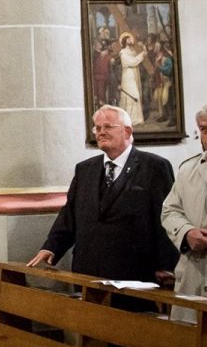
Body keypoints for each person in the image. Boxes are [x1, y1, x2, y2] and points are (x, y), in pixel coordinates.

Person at [28, 104, 177, 283]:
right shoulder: (85, 169)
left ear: (128, 132)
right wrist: (51, 247)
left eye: (108, 127)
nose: (101, 132)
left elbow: (166, 217)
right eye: (97, 128)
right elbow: (69, 215)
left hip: (134, 272)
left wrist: (166, 264)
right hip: (87, 269)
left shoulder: (154, 167)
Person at [161, 102, 207, 323]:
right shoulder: (187, 169)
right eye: (203, 129)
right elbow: (169, 210)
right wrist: (187, 232)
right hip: (194, 270)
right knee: (189, 344)